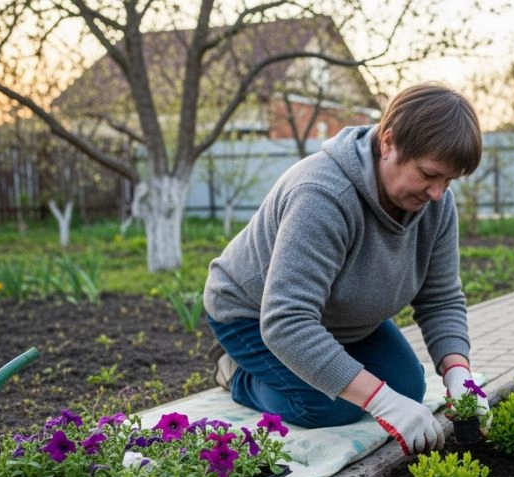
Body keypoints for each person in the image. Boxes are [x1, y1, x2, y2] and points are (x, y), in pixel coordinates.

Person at [203, 82, 489, 456]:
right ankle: (236, 373)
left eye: (448, 180)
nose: (438, 192)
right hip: (254, 316)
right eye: (428, 174)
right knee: (329, 405)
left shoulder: (436, 204)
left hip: (338, 319)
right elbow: (287, 320)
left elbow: (441, 298)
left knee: (407, 388)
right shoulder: (322, 195)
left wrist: (458, 374)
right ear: (388, 142)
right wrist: (379, 401)